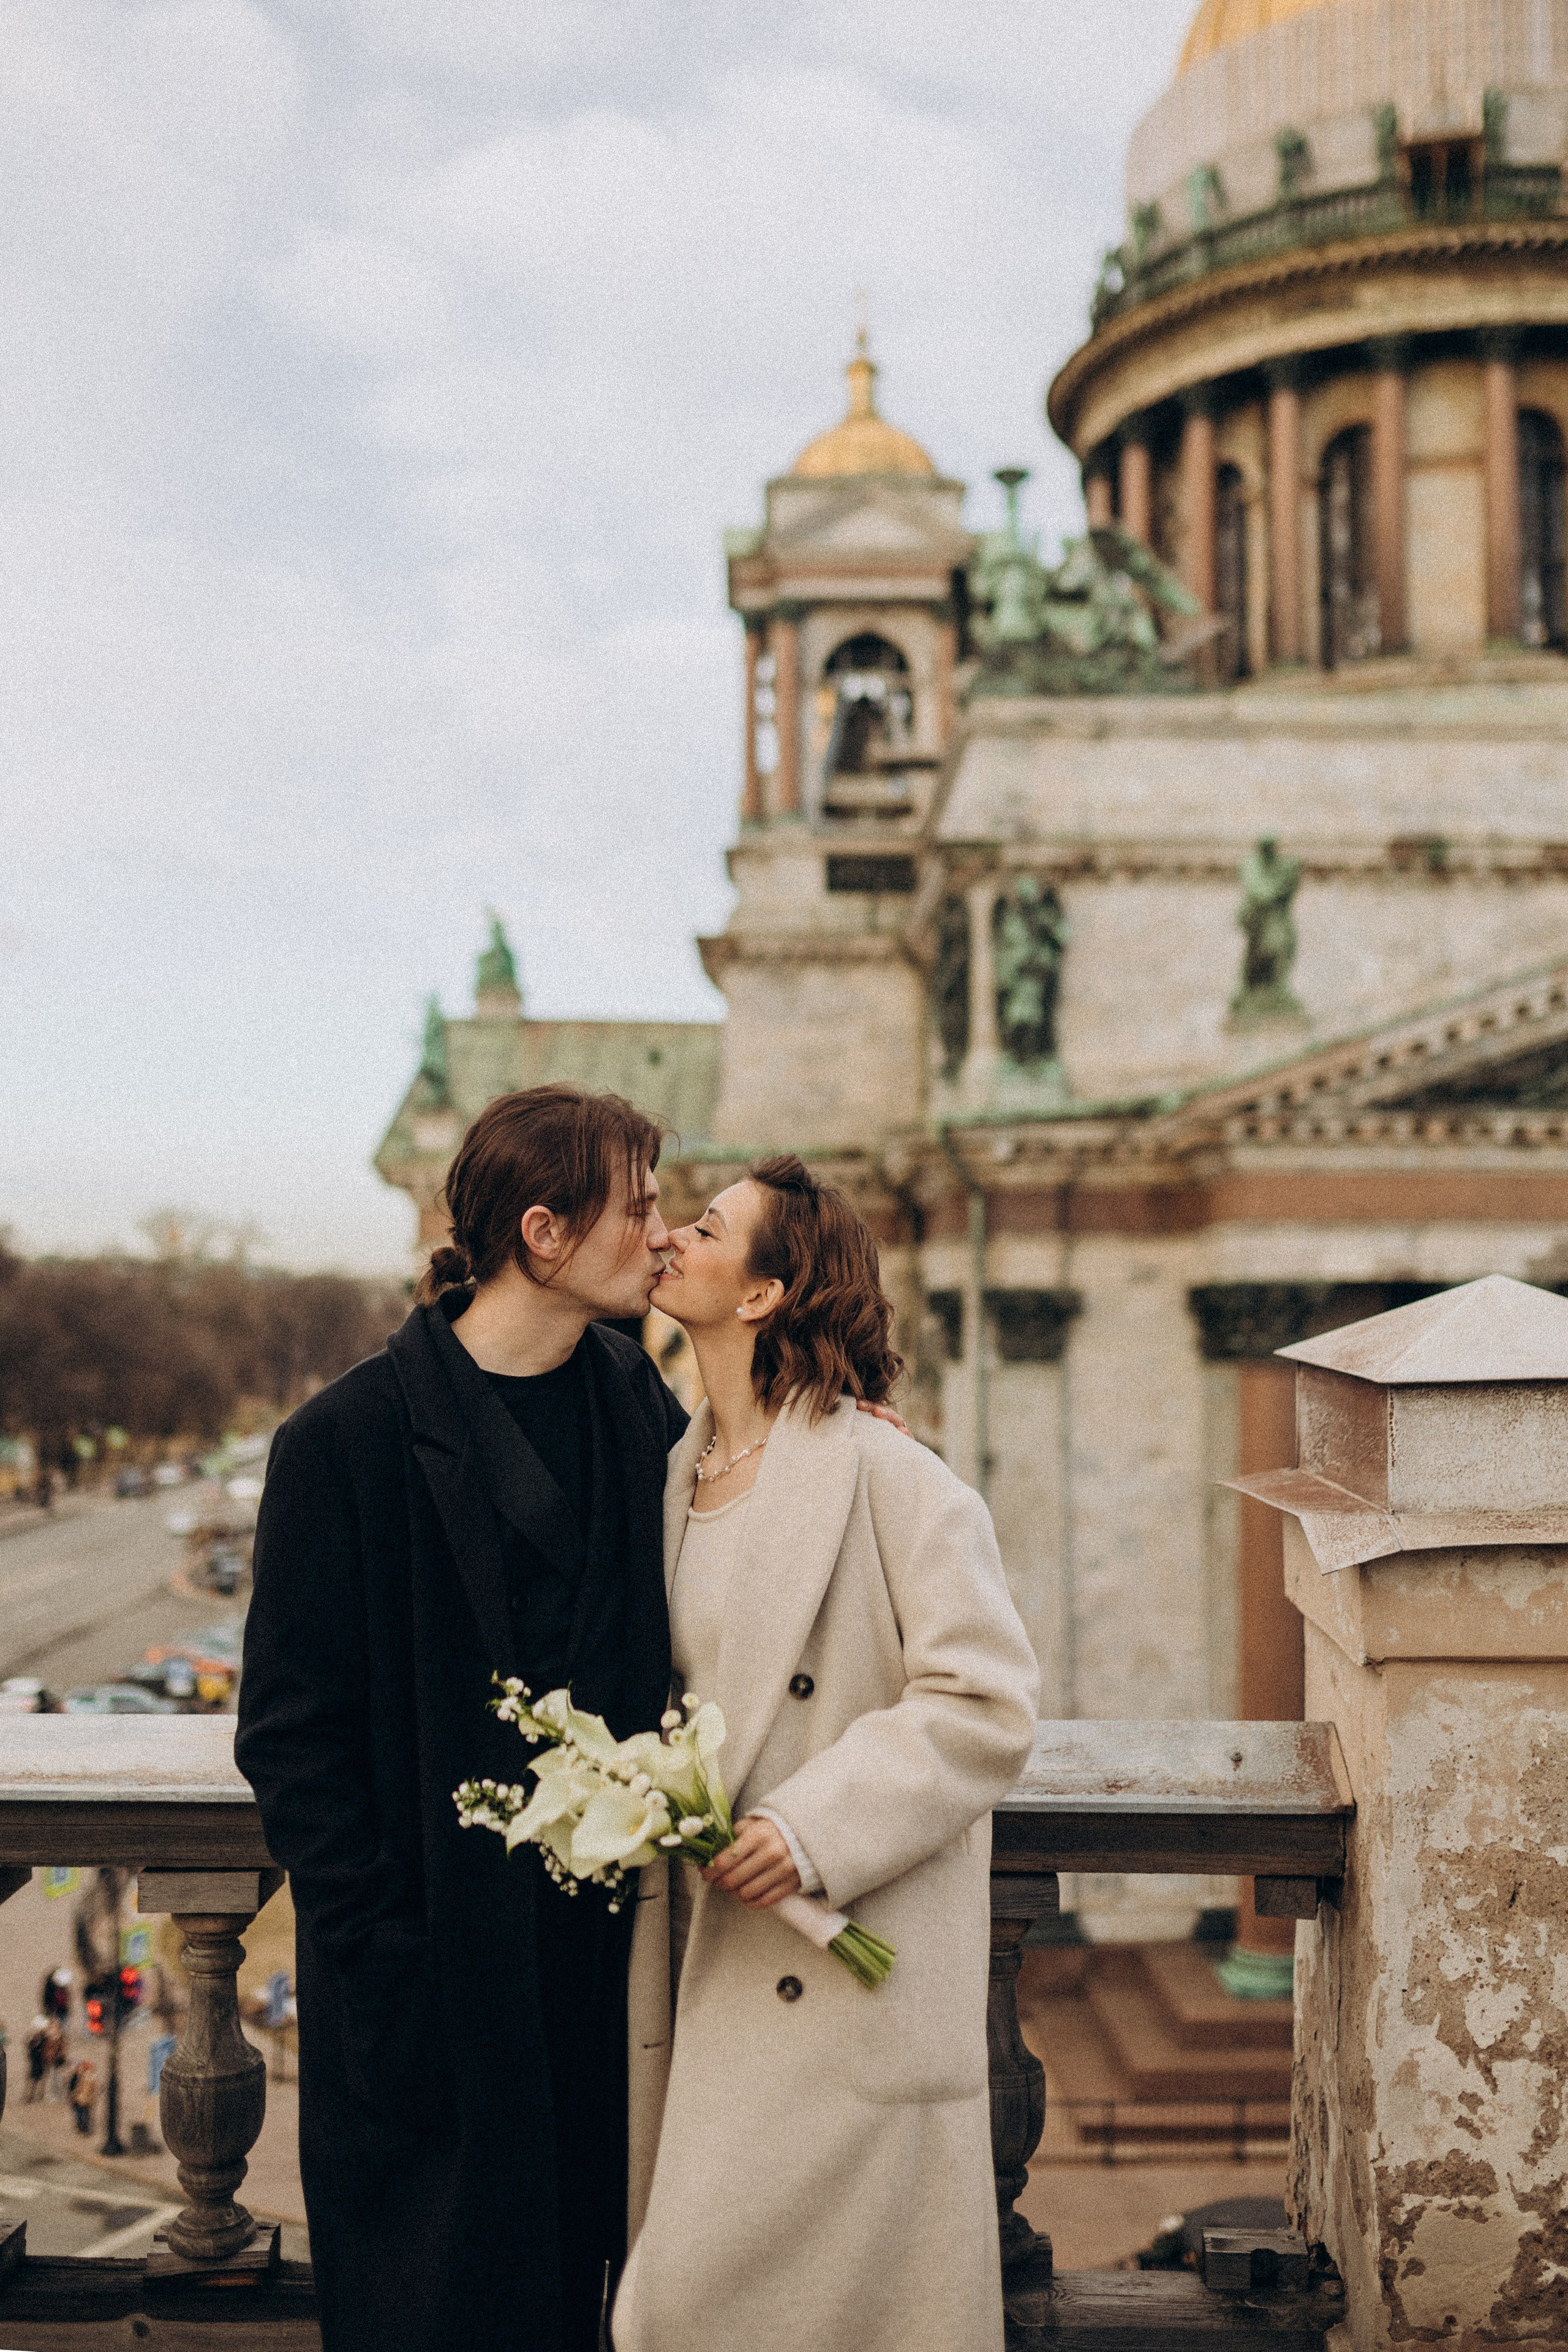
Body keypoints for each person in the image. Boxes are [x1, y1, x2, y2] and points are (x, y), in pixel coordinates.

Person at [236, 1086, 685, 2352]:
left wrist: (845, 1434)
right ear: (543, 1234)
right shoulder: (342, 1441)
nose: (663, 1234)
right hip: (433, 1998)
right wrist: (390, 1963)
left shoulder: (635, 1405)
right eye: (637, 1207)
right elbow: (289, 1735)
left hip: (599, 1987)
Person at [613, 1156, 1041, 2352]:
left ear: (761, 1294)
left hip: (846, 1980)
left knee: (706, 2309)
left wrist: (809, 1829)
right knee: (676, 2312)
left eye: (703, 1230)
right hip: (707, 1960)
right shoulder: (657, 1479)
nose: (670, 1244)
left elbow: (984, 1701)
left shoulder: (895, 1479)